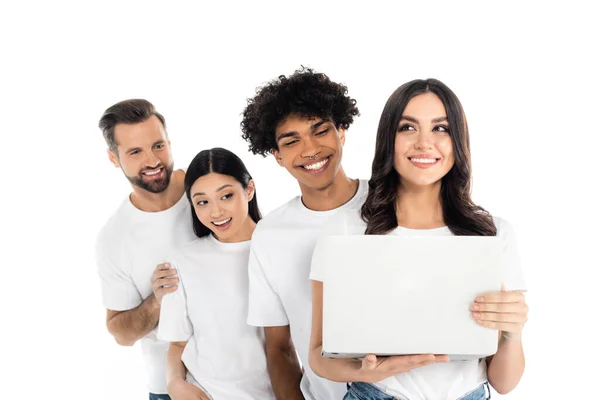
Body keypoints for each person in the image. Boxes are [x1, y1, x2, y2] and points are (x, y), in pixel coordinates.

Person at [308, 79, 528, 400]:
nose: (425, 143)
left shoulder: (492, 234)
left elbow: (504, 383)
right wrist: (366, 371)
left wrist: (512, 334)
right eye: (408, 128)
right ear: (388, 140)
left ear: (458, 141)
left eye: (441, 129)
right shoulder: (344, 229)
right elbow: (317, 355)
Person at [240, 67, 368, 400]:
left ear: (342, 131)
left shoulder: (394, 200)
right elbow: (279, 347)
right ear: (278, 156)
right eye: (291, 140)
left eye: (320, 131)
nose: (310, 149)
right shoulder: (270, 235)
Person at [96, 99, 195, 400]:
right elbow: (120, 333)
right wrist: (156, 300)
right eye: (135, 152)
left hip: (246, 376)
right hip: (171, 389)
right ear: (114, 158)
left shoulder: (207, 187)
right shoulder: (115, 238)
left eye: (158, 146)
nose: (152, 161)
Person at [157, 147, 276, 400]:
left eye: (226, 196)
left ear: (249, 189)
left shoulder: (279, 249)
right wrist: (174, 383)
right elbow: (177, 342)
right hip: (206, 393)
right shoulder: (183, 260)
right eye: (202, 202)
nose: (216, 212)